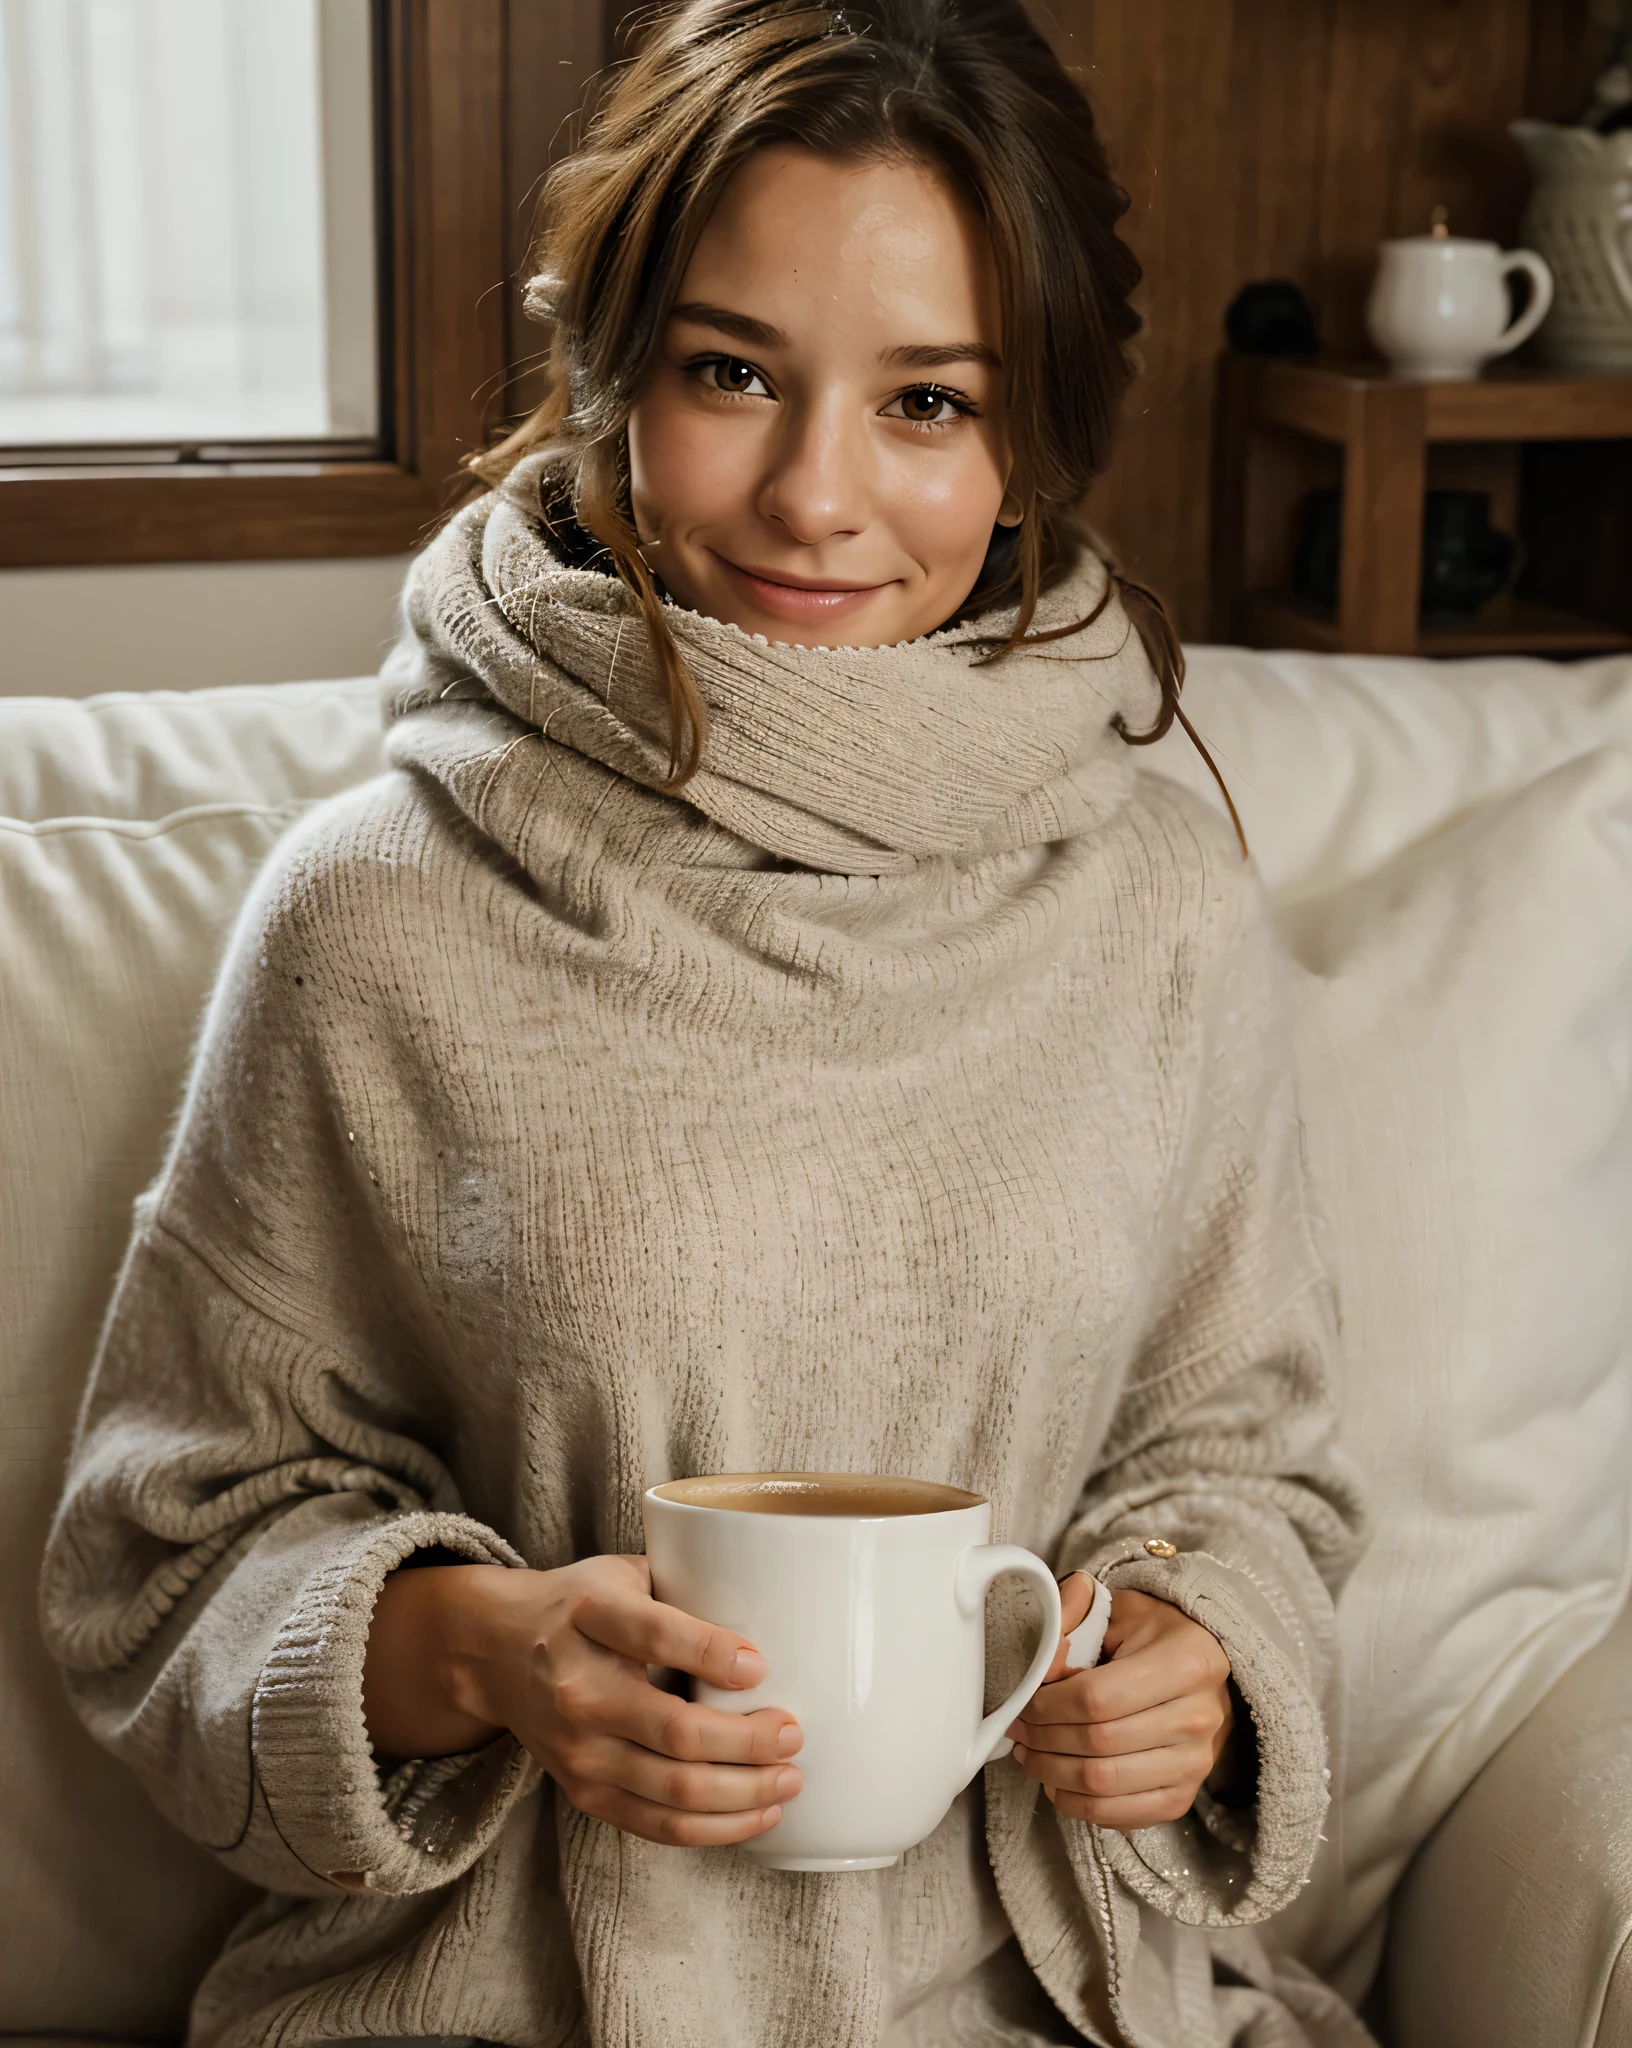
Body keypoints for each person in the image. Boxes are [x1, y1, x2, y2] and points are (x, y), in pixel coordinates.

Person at [40, 2, 1370, 2042]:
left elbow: (1244, 1462)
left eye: (928, 401)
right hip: (505, 1997)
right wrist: (480, 1652)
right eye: (735, 374)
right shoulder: (374, 912)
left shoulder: (1155, 900)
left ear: (1034, 439)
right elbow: (164, 1556)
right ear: (608, 368)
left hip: (1035, 1993)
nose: (819, 497)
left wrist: (1195, 1656)